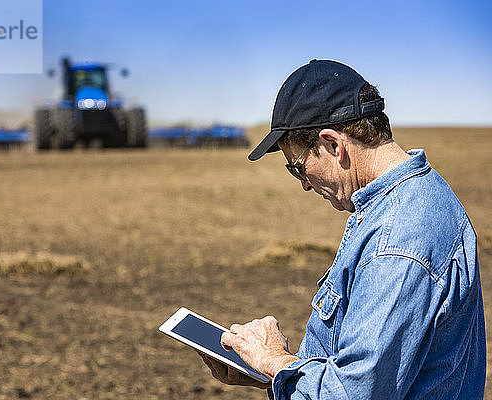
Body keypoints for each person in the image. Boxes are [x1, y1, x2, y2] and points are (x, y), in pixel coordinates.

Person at [199, 59, 486, 399]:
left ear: (333, 144)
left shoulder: (397, 239)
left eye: (298, 167)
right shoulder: (411, 200)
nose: (304, 184)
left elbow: (353, 392)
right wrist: (267, 374)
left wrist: (274, 360)